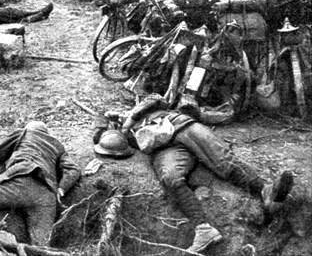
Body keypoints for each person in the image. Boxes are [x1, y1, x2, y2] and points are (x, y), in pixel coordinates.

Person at [92, 94, 295, 254]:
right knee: (170, 177)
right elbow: (100, 136)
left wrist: (129, 117)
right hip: (164, 149)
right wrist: (112, 133)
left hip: (179, 125)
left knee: (221, 160)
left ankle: (265, 191)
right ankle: (203, 228)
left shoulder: (136, 111)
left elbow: (155, 98)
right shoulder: (124, 142)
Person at [0, 121, 81, 246]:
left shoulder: (23, 133)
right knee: (42, 246)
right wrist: (62, 189)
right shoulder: (58, 146)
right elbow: (73, 169)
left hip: (19, 183)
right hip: (45, 195)